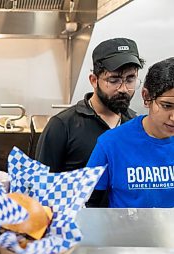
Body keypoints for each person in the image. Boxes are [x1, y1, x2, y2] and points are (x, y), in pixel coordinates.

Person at [35, 38, 145, 172]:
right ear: (94, 80)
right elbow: (41, 183)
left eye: (130, 79)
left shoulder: (136, 125)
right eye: (114, 80)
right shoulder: (63, 126)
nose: (123, 89)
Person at [86, 57, 174, 208]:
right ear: (146, 97)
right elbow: (88, 204)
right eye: (166, 106)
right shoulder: (111, 144)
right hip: (127, 230)